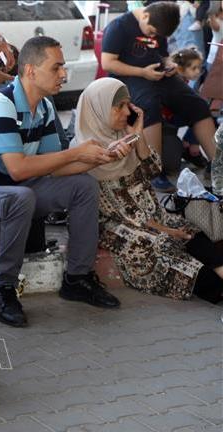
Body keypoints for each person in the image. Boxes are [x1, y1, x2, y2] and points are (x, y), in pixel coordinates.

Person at [0, 36, 122, 328]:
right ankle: (4, 289)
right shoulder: (0, 103)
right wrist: (77, 152)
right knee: (20, 196)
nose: (64, 74)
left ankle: (77, 278)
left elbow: (54, 165)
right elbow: (17, 169)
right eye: (57, 67)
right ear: (31, 71)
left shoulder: (45, 107)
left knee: (84, 185)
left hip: (18, 189)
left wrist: (97, 158)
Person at [71, 77, 223, 303]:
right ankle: (216, 289)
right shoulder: (84, 151)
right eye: (119, 107)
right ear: (99, 110)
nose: (126, 112)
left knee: (193, 230)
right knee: (161, 244)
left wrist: (138, 134)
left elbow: (154, 170)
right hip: (122, 226)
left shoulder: (124, 137)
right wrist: (169, 232)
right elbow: (124, 213)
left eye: (128, 105)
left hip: (150, 215)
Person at [101, 1, 217, 192]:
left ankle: (217, 164)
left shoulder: (160, 26)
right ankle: (153, 170)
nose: (154, 35)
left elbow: (161, 55)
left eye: (158, 34)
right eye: (152, 31)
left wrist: (169, 64)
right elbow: (107, 63)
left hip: (156, 75)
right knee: (149, 104)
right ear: (145, 16)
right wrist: (142, 72)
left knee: (197, 104)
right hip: (127, 78)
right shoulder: (119, 27)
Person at [166, 47, 209, 168]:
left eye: (199, 68)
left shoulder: (182, 80)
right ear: (180, 68)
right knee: (201, 113)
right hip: (166, 119)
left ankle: (187, 143)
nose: (198, 71)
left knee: (201, 111)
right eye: (194, 68)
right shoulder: (176, 83)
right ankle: (192, 147)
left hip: (172, 116)